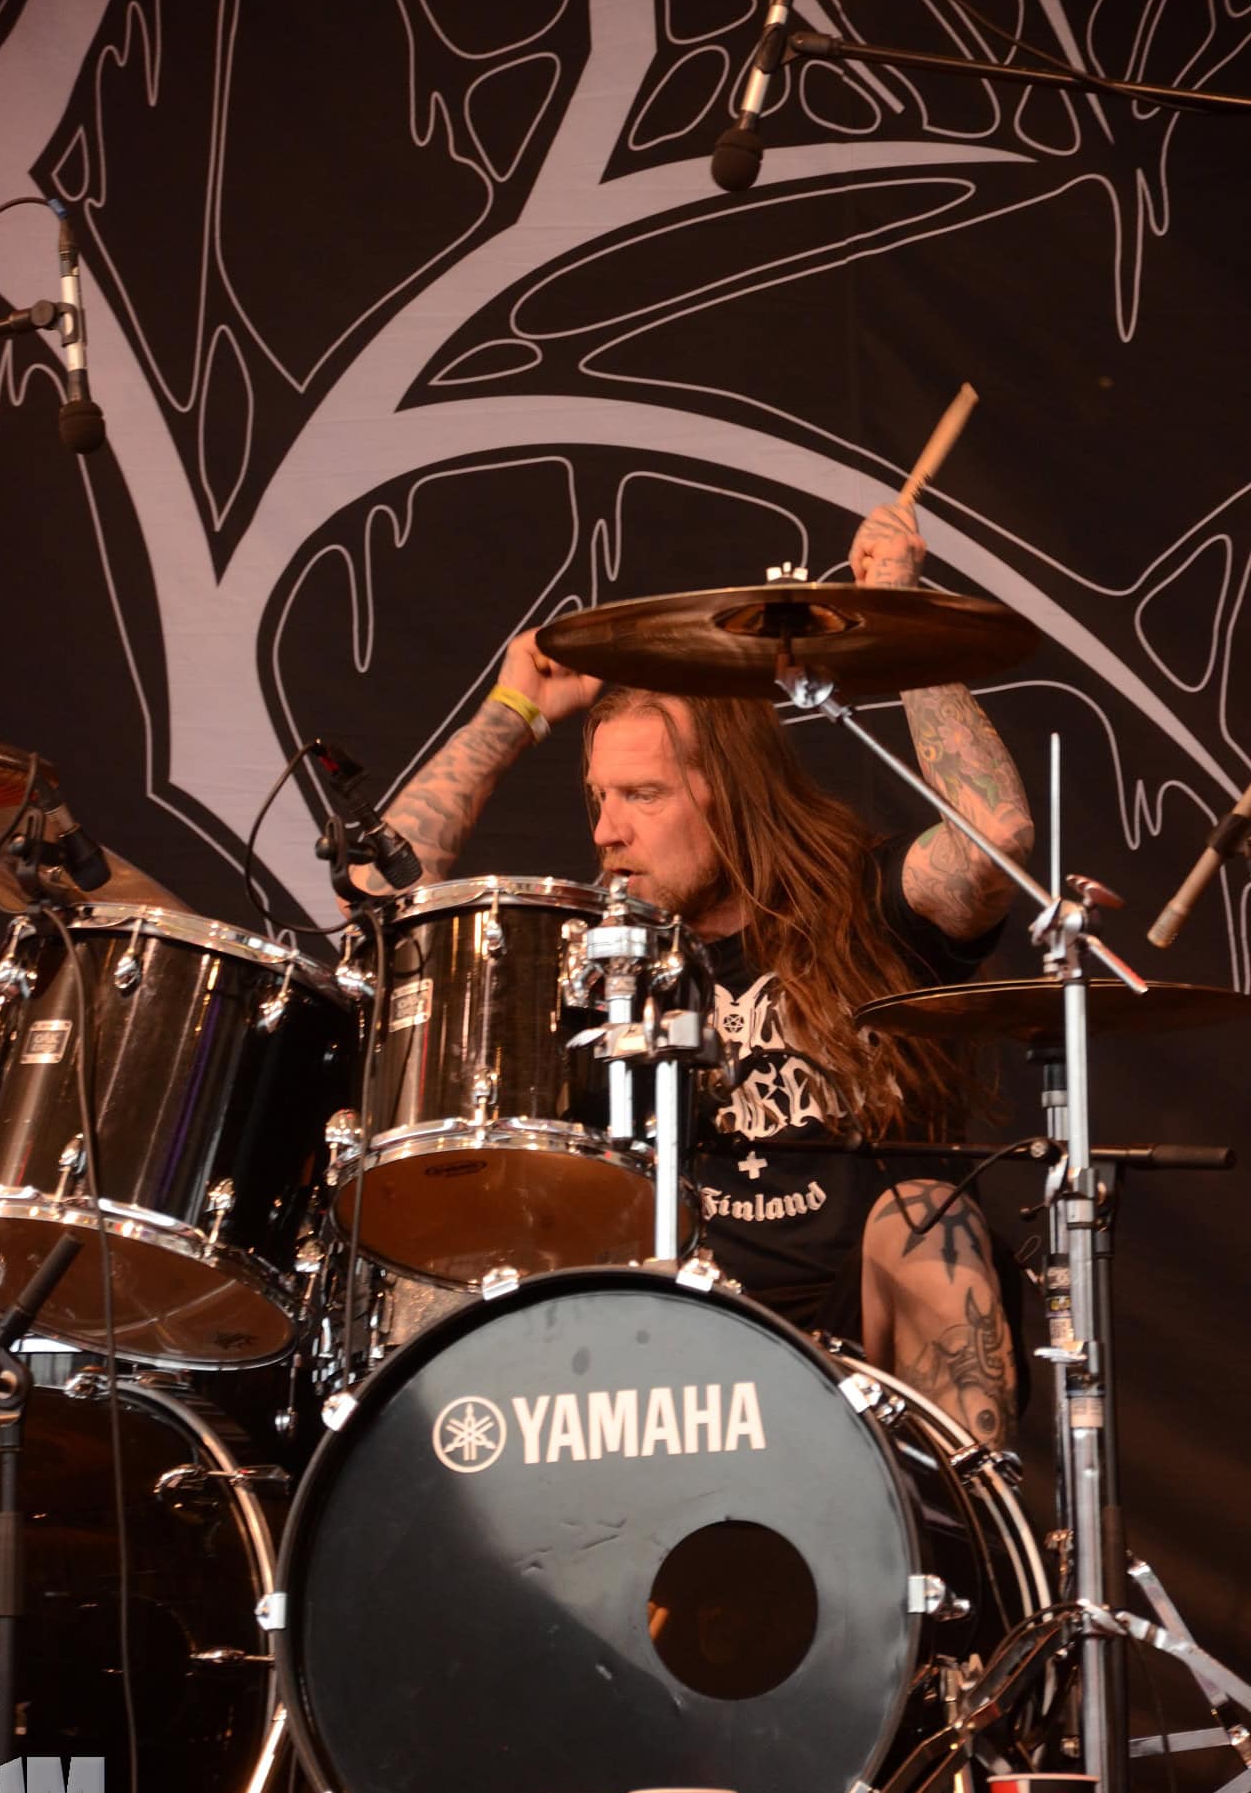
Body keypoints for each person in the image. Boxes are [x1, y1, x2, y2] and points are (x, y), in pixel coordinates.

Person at [370, 502, 1034, 1445]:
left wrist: (900, 610)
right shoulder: (600, 958)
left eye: (642, 795)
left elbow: (993, 837)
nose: (608, 830)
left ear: (735, 797)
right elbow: (379, 898)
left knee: (929, 1218)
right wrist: (512, 716)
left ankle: (966, 1520)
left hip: (857, 1346)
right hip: (662, 1354)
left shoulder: (867, 902)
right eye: (600, 797)